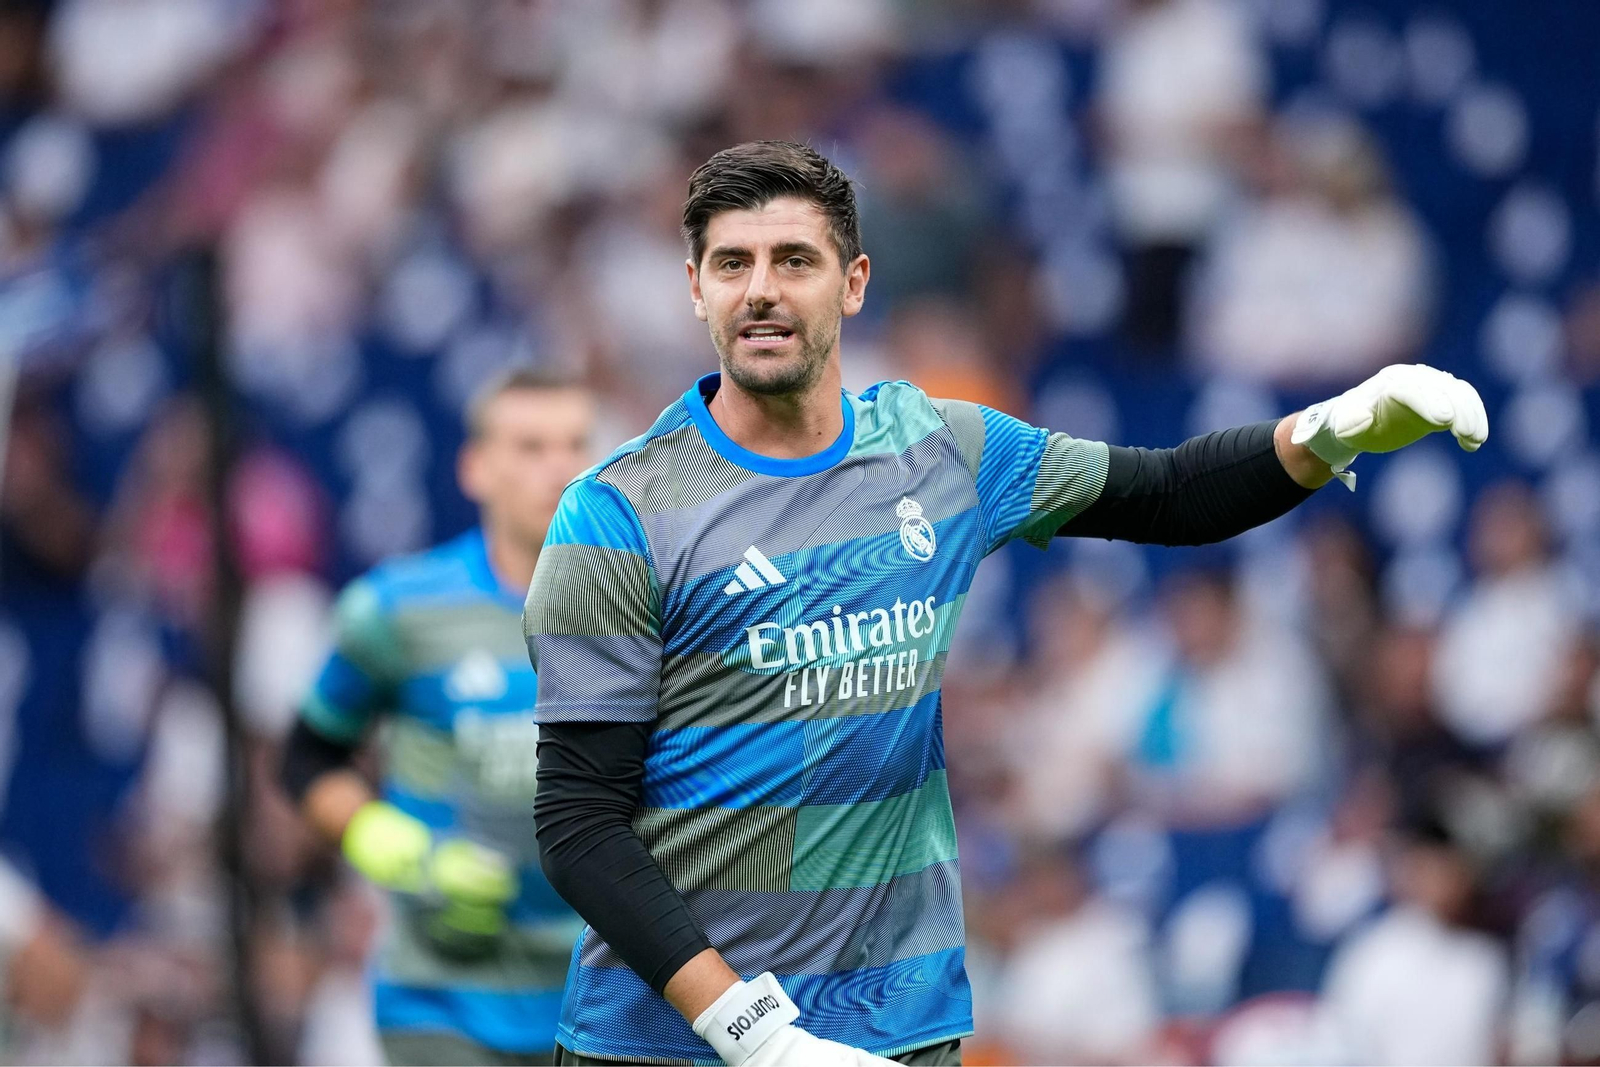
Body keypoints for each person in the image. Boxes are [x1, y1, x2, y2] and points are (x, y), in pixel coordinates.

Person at [523, 141, 1489, 1067]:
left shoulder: (943, 450)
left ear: (855, 282)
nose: (762, 289)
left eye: (795, 260)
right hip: (669, 1043)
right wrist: (755, 1032)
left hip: (892, 1026)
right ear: (694, 288)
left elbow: (1168, 492)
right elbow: (578, 824)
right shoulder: (617, 514)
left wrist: (1335, 428)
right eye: (731, 263)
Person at [278, 369, 595, 1066]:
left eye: (575, 444)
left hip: (599, 997)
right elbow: (305, 757)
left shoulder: (643, 615)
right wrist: (388, 842)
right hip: (440, 996)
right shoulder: (398, 610)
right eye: (531, 446)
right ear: (475, 467)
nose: (558, 468)